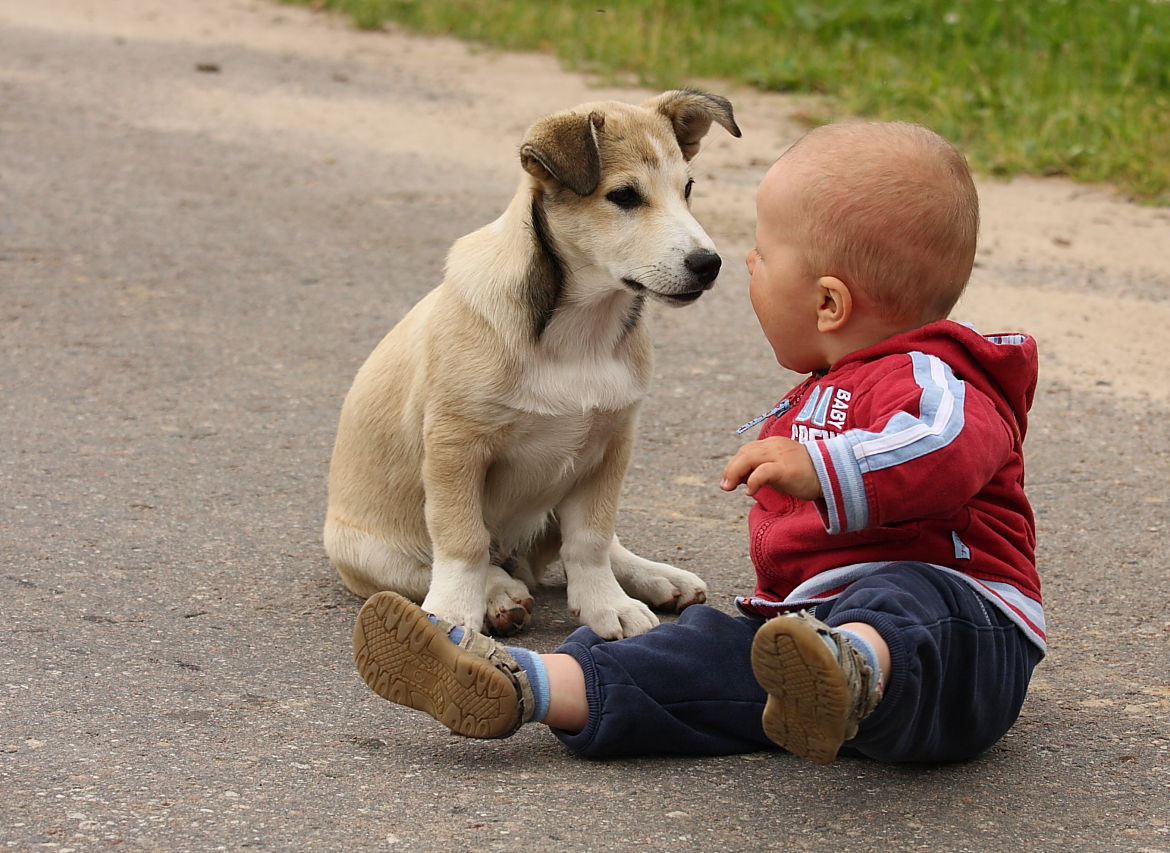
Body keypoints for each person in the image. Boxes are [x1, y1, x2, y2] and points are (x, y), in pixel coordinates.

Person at [351, 120, 1044, 764]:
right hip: (815, 653)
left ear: (829, 303)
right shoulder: (825, 383)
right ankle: (528, 684)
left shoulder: (937, 375)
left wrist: (825, 464)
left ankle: (852, 662)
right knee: (698, 653)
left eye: (765, 256)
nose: (736, 260)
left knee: (902, 597)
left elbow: (946, 448)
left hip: (965, 643)